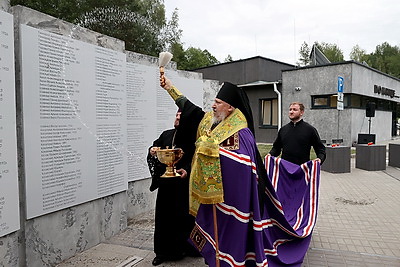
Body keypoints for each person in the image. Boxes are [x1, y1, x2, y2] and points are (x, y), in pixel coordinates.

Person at [160, 76, 320, 267]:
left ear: (230, 108)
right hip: (213, 196)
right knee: (215, 238)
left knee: (229, 240)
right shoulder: (212, 122)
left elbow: (243, 164)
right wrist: (170, 88)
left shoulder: (240, 131)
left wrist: (211, 151)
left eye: (218, 103)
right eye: (214, 102)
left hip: (234, 200)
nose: (213, 106)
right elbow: (192, 111)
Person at [147, 110, 200, 266]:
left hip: (183, 187)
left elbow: (198, 160)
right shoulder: (166, 134)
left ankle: (188, 249)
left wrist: (187, 171)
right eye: (176, 115)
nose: (177, 118)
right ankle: (163, 252)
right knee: (164, 219)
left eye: (180, 116)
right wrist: (152, 150)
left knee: (184, 219)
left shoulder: (193, 138)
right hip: (166, 186)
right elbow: (155, 146)